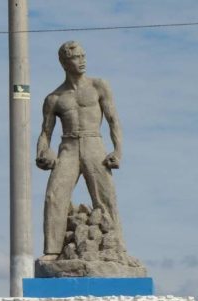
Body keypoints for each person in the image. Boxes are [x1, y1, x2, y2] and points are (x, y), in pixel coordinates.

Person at [36, 41, 125, 261]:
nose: (82, 60)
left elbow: (114, 120)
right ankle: (53, 250)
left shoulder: (98, 85)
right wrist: (42, 153)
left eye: (84, 56)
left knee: (106, 196)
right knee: (54, 195)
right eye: (77, 57)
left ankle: (118, 249)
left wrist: (118, 151)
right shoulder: (54, 98)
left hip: (94, 143)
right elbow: (45, 132)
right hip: (68, 146)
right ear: (65, 63)